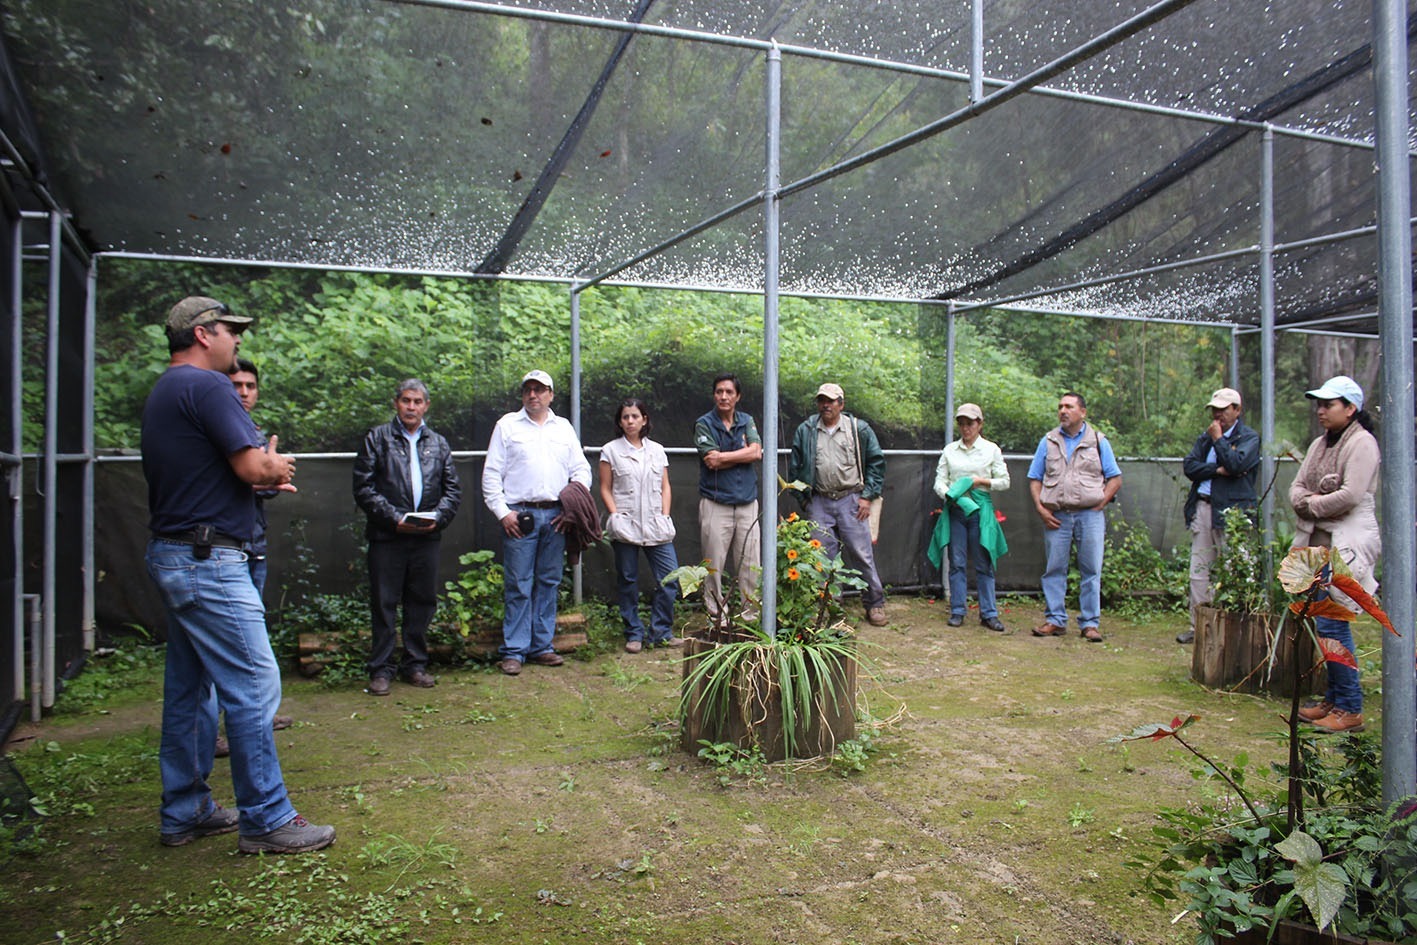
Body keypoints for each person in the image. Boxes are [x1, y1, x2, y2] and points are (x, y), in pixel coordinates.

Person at [142, 295, 333, 854]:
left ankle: (185, 810)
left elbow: (207, 476)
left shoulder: (165, 390)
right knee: (253, 686)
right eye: (232, 332)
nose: (238, 341)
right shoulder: (207, 387)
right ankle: (267, 818)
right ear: (204, 334)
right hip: (210, 564)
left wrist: (254, 479)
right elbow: (252, 464)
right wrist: (274, 466)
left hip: (176, 553)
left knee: (188, 690)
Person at [353, 379, 462, 696]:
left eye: (417, 401)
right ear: (396, 403)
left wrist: (438, 518)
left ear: (426, 405)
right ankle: (381, 669)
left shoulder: (438, 444)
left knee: (421, 602)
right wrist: (394, 518)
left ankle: (415, 664)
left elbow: (452, 490)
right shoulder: (377, 438)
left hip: (426, 537)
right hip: (388, 537)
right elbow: (364, 487)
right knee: (384, 603)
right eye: (405, 401)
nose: (411, 407)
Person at [483, 370, 592, 676]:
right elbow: (492, 474)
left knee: (549, 581)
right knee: (518, 584)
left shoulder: (564, 428)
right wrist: (504, 513)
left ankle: (542, 646)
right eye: (528, 390)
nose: (534, 395)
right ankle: (514, 651)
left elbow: (581, 469)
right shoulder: (507, 426)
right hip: (521, 516)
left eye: (540, 390)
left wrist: (573, 503)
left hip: (557, 517)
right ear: (523, 395)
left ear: (551, 395)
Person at [1289, 375, 1380, 734]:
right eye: (1319, 404)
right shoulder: (1319, 444)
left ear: (1351, 408)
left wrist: (1310, 504)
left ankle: (1350, 707)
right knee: (1324, 623)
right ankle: (1335, 698)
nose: (1321, 410)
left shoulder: (1363, 444)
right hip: (1321, 542)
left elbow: (1350, 495)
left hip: (1349, 542)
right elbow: (1297, 487)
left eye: (1329, 404)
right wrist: (1311, 503)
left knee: (1333, 623)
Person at [786, 382, 889, 627]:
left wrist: (867, 496)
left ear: (841, 404)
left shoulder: (858, 428)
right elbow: (795, 467)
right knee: (821, 557)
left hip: (852, 499)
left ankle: (874, 603)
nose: (826, 405)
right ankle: (829, 605)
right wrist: (805, 500)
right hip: (819, 500)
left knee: (862, 554)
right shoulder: (806, 430)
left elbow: (876, 463)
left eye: (831, 401)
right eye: (822, 400)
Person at [1027, 392, 1123, 642]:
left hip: (1089, 516)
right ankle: (1055, 621)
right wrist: (1040, 507)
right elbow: (1035, 478)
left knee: (1091, 569)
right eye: (1060, 406)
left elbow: (1115, 478)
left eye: (1069, 406)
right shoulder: (1047, 441)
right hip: (1056, 516)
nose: (1063, 411)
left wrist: (1100, 503)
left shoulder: (1099, 441)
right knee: (1054, 569)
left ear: (1083, 412)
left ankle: (1090, 624)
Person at [1176, 387, 1260, 645]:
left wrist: (1220, 441)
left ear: (1237, 410)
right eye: (1214, 409)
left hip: (1232, 512)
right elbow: (1190, 467)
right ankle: (1199, 625)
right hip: (1203, 507)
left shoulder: (1249, 437)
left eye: (1223, 410)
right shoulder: (1206, 436)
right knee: (1199, 570)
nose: (1217, 415)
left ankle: (1240, 626)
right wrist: (1217, 470)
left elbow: (1236, 464)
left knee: (1235, 567)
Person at [599, 398, 681, 652]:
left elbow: (665, 485)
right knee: (627, 579)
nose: (630, 421)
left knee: (670, 578)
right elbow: (605, 487)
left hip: (657, 524)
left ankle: (661, 631)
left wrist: (665, 513)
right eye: (626, 417)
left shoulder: (657, 450)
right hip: (626, 524)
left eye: (635, 416)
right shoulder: (610, 451)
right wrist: (615, 516)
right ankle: (634, 633)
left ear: (644, 420)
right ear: (620, 422)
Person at [929, 403, 1009, 632]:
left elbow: (1004, 482)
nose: (966, 428)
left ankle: (989, 613)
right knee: (957, 561)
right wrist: (950, 495)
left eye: (970, 423)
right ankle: (957, 610)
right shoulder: (950, 450)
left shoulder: (990, 449)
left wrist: (980, 482)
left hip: (980, 509)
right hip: (956, 509)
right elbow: (939, 481)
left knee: (984, 561)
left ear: (980, 424)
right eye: (962, 424)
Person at [694, 373, 764, 620]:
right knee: (713, 565)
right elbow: (710, 460)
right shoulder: (704, 423)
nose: (724, 396)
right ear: (714, 395)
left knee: (750, 564)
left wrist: (724, 456)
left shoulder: (746, 420)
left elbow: (756, 453)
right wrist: (741, 453)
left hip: (747, 503)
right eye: (719, 392)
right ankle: (717, 617)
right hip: (716, 503)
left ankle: (751, 616)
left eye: (729, 392)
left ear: (737, 396)